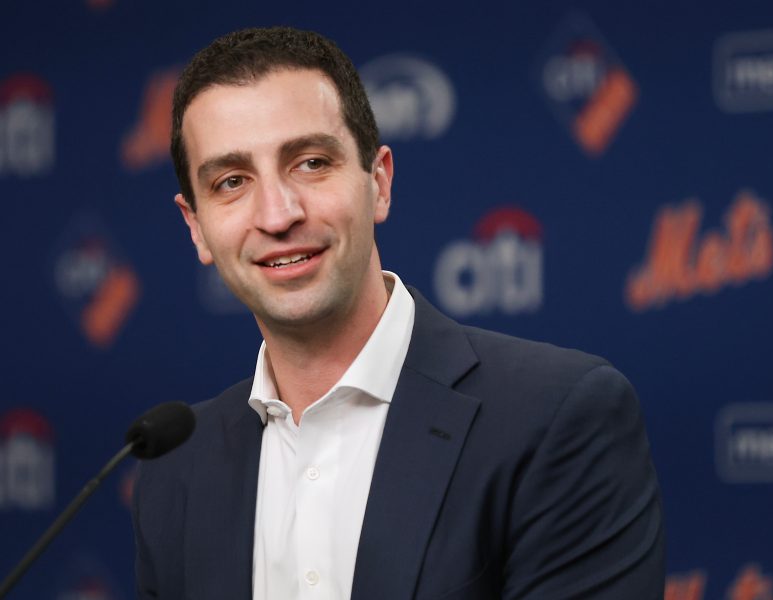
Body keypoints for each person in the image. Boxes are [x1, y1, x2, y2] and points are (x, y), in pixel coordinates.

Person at [132, 26, 665, 600]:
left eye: (310, 163)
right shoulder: (175, 470)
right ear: (197, 227)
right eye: (232, 181)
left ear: (379, 182)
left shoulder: (557, 417)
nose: (278, 214)